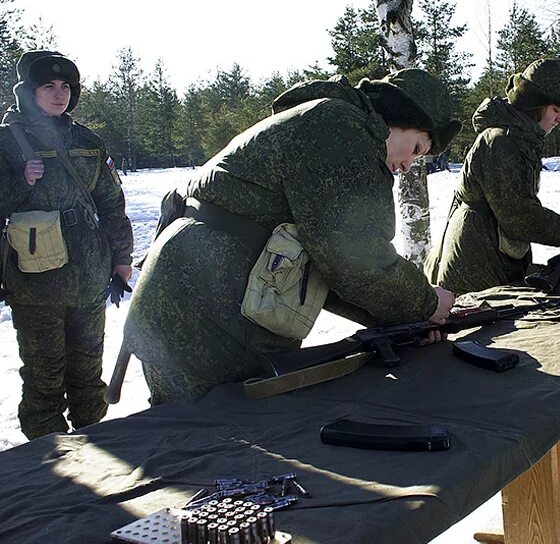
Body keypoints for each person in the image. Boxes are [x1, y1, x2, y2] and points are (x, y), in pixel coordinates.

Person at [123, 68, 461, 404]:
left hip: (205, 299)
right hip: (204, 311)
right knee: (206, 439)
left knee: (207, 438)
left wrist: (409, 316)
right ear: (401, 116)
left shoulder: (328, 121)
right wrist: (425, 302)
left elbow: (327, 265)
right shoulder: (339, 127)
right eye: (416, 148)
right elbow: (354, 257)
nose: (407, 166)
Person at [0, 50, 134, 440]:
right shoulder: (7, 140)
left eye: (66, 87)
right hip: (35, 283)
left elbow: (111, 202)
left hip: (91, 275)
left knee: (88, 370)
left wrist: (122, 258)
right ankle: (48, 463)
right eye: (48, 86)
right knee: (44, 375)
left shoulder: (87, 140)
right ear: (29, 91)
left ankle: (95, 446)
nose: (59, 94)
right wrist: (20, 182)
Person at [426, 58, 560, 294]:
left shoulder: (518, 138)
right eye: (556, 110)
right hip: (476, 261)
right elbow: (517, 212)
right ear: (536, 104)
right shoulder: (502, 141)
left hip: (492, 252)